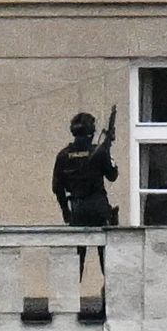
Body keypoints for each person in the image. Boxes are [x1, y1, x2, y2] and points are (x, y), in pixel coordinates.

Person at [53, 111, 118, 278]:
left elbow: (57, 187)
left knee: (75, 262)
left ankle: (71, 301)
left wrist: (65, 211)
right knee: (108, 261)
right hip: (98, 207)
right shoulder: (99, 152)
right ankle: (108, 302)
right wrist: (109, 152)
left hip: (77, 208)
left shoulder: (63, 155)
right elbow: (113, 175)